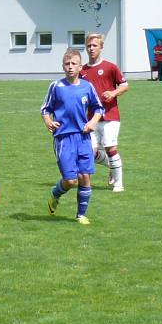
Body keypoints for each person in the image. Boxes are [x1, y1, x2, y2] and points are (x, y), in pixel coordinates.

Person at [41, 48, 104, 225]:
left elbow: (99, 108)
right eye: (67, 64)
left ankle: (81, 215)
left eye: (73, 64)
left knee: (85, 176)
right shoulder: (56, 86)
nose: (70, 67)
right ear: (63, 66)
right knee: (70, 180)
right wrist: (48, 121)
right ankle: (55, 193)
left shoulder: (87, 86)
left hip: (83, 137)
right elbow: (46, 109)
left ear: (79, 66)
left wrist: (93, 122)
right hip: (63, 138)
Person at [80, 33, 128, 192]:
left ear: (101, 47)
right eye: (89, 46)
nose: (91, 48)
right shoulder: (83, 71)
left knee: (110, 147)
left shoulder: (110, 67)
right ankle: (112, 166)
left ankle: (119, 184)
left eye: (94, 45)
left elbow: (124, 85)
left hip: (110, 116)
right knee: (90, 153)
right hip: (92, 118)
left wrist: (113, 93)